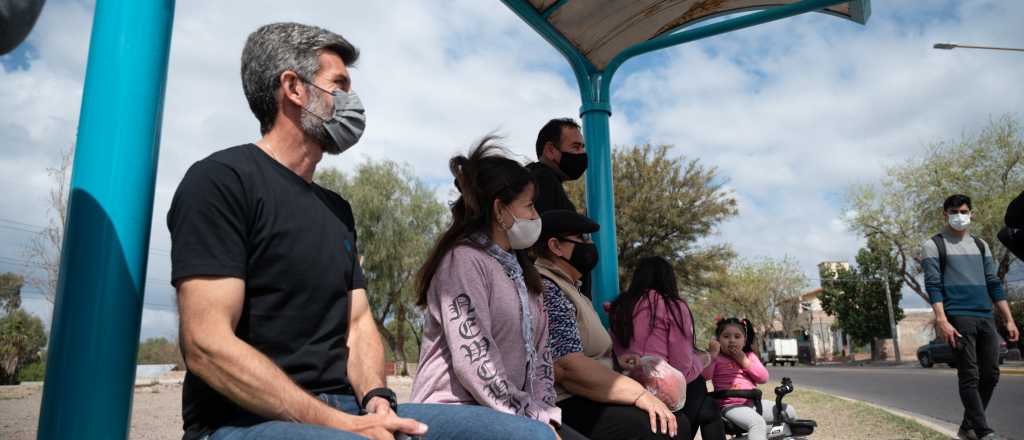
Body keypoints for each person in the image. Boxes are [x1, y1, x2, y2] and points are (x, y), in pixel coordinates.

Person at [167, 23, 551, 440]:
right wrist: (343, 425)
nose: (352, 101)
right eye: (339, 85)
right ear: (293, 88)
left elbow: (358, 321)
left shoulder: (336, 209)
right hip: (242, 422)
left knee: (528, 435)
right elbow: (206, 344)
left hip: (348, 409)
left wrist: (376, 400)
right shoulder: (221, 181)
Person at [410, 137, 581, 440]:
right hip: (451, 408)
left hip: (508, 412)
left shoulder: (525, 275)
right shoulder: (463, 262)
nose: (535, 217)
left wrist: (544, 412)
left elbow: (542, 359)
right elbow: (474, 363)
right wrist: (532, 418)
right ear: (500, 209)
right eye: (529, 206)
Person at [533, 210, 687, 440]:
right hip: (566, 401)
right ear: (556, 246)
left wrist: (616, 363)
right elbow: (567, 366)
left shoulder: (571, 287)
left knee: (677, 422)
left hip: (589, 394)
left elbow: (584, 350)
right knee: (662, 429)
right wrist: (639, 395)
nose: (589, 246)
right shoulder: (548, 288)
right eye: (582, 239)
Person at [923, 194, 1020, 440]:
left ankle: (968, 425)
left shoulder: (981, 245)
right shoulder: (934, 245)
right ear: (945, 214)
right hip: (957, 316)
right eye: (954, 211)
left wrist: (1008, 318)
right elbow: (933, 286)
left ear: (971, 214)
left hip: (985, 315)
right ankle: (982, 430)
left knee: (992, 374)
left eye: (964, 211)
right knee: (970, 374)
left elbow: (993, 283)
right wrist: (942, 320)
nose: (960, 216)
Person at [609, 256, 725, 440]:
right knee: (707, 402)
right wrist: (707, 357)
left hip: (627, 388)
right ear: (669, 279)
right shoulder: (674, 306)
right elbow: (682, 369)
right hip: (665, 392)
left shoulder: (619, 307)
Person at [703, 318, 796, 440]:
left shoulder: (749, 356)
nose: (732, 340)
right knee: (757, 424)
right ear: (718, 340)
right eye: (726, 336)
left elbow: (763, 378)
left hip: (754, 403)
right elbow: (705, 376)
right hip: (731, 406)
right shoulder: (717, 358)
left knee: (790, 412)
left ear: (744, 340)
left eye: (737, 336)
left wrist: (744, 361)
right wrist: (712, 355)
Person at [527, 118, 586, 214]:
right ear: (550, 151)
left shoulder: (532, 177)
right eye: (576, 147)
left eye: (583, 147)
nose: (583, 153)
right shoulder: (542, 180)